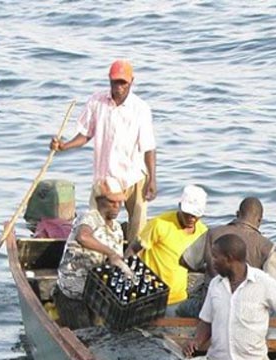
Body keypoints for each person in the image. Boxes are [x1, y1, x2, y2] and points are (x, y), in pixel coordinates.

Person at [50, 59, 157, 244]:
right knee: (94, 224)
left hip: (132, 176)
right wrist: (64, 146)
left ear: (131, 81)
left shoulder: (140, 109)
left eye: (123, 82)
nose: (119, 87)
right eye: (115, 82)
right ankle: (96, 257)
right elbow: (85, 134)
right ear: (109, 80)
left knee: (138, 226)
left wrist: (152, 179)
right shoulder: (97, 101)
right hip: (104, 177)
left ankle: (131, 263)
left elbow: (148, 147)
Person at [184, 233, 276, 360]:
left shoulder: (264, 282)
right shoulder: (215, 284)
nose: (211, 262)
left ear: (229, 258)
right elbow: (206, 321)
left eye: (215, 257)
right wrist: (196, 341)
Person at [180, 196, 276, 314]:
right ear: (259, 220)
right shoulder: (267, 247)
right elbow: (273, 287)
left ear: (237, 214)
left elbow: (185, 261)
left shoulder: (212, 233)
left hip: (212, 306)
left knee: (182, 308)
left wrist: (208, 267)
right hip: (245, 309)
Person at [53, 191, 130, 329]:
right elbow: (83, 237)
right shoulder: (90, 217)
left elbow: (115, 261)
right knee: (83, 334)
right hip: (73, 293)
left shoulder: (117, 229)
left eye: (120, 203)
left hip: (95, 293)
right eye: (112, 202)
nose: (117, 207)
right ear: (100, 201)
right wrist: (110, 253)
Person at [135, 185, 208, 316]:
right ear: (179, 206)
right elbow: (135, 248)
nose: (191, 218)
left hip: (178, 297)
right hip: (152, 296)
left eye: (195, 215)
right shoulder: (160, 224)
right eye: (188, 214)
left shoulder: (202, 232)